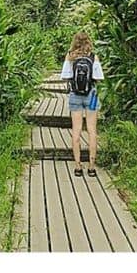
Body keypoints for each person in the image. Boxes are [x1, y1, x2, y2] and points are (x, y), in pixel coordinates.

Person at [60, 32, 104, 177]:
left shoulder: (70, 56)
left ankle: (78, 166)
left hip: (75, 95)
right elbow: (98, 77)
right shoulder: (93, 56)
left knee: (76, 131)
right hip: (91, 95)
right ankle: (91, 167)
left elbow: (65, 76)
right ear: (88, 42)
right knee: (92, 131)